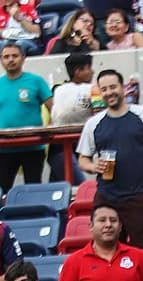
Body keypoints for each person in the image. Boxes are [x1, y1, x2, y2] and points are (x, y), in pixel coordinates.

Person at [76, 70, 143, 251]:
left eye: (113, 87)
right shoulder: (93, 123)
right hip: (106, 197)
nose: (109, 92)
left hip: (139, 196)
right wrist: (94, 167)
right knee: (104, 250)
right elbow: (82, 159)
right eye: (104, 89)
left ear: (123, 88)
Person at [0, 43, 53, 193]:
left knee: (34, 191)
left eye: (15, 56)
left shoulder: (36, 81)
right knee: (0, 191)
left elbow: (54, 109)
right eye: (6, 57)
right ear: (1, 60)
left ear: (23, 59)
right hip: (6, 149)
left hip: (33, 147)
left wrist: (48, 130)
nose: (10, 60)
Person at [48, 53, 95, 183]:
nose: (92, 72)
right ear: (78, 72)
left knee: (58, 192)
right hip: (63, 149)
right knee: (81, 188)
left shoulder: (58, 89)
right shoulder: (89, 90)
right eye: (88, 68)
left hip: (63, 148)